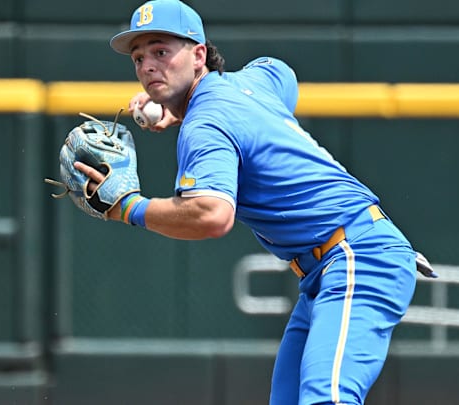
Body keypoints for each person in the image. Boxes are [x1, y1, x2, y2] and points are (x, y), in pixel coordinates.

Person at [72, 0, 436, 403]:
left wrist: (128, 207)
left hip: (358, 256)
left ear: (198, 55)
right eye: (139, 58)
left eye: (161, 51)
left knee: (327, 399)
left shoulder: (206, 124)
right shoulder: (251, 84)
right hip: (329, 267)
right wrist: (180, 108)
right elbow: (281, 72)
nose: (147, 67)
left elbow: (212, 216)